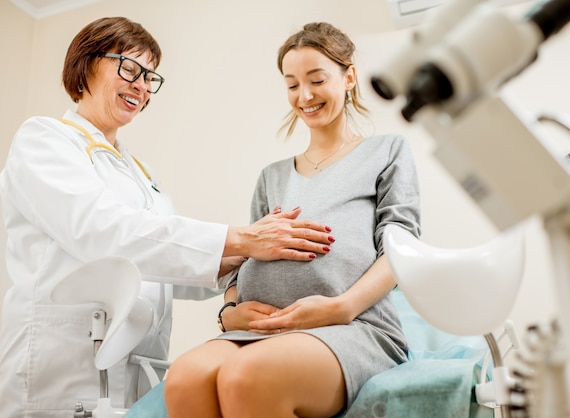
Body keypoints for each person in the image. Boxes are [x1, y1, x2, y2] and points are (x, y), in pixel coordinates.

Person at [0, 17, 336, 418]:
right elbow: (102, 233)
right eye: (130, 69)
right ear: (86, 64)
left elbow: (166, 263)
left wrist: (249, 259)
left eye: (150, 78)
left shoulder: (141, 173)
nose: (141, 86)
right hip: (59, 367)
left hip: (134, 370)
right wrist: (243, 239)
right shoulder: (44, 140)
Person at [164, 21, 421, 418]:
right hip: (256, 330)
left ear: (349, 76)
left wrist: (341, 308)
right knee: (184, 379)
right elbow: (243, 260)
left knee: (245, 377)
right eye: (292, 84)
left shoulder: (386, 152)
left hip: (352, 327)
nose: (304, 95)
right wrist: (229, 311)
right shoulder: (273, 176)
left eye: (317, 80)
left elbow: (402, 247)